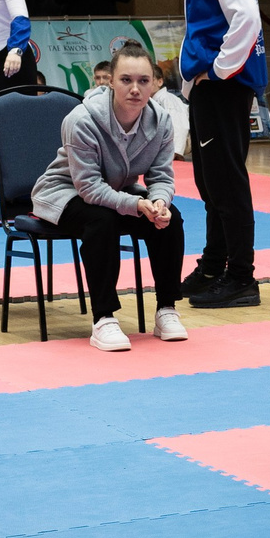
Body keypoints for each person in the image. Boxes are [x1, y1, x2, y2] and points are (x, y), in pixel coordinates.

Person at [30, 40, 189, 352]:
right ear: (111, 82)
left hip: (119, 191)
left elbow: (161, 176)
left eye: (143, 81)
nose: (135, 89)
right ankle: (104, 318)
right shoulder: (82, 119)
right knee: (102, 222)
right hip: (66, 192)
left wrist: (158, 202)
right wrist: (135, 204)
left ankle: (166, 309)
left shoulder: (161, 121)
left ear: (155, 82)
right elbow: (88, 187)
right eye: (126, 80)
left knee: (171, 220)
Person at [170, 0, 265, 309]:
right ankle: (214, 265)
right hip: (211, 84)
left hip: (224, 86)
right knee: (210, 180)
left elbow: (246, 18)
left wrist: (219, 71)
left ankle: (241, 277)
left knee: (226, 180)